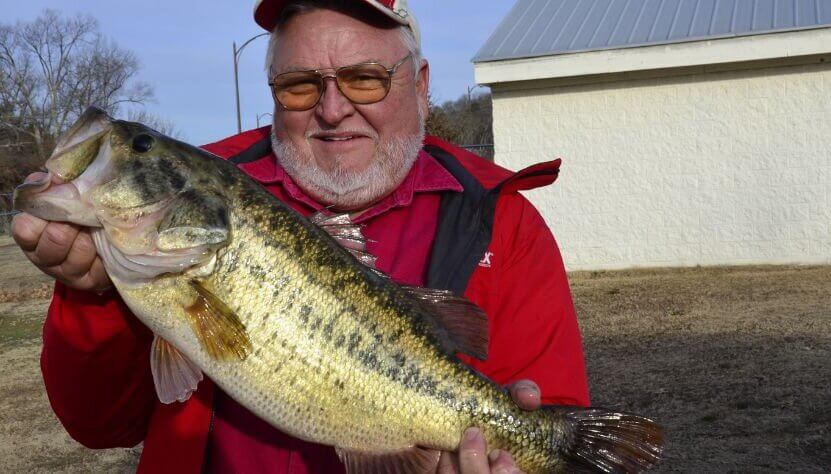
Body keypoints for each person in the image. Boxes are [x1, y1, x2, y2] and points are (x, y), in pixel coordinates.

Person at [11, 0, 589, 472]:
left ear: (421, 85)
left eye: (366, 79)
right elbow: (99, 427)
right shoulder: (212, 185)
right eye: (300, 85)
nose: (333, 109)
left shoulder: (502, 223)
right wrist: (94, 294)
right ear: (271, 91)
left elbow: (548, 402)